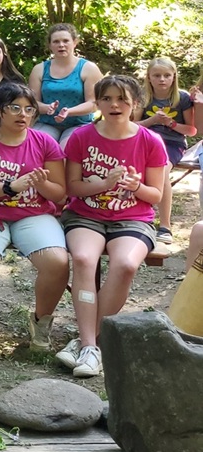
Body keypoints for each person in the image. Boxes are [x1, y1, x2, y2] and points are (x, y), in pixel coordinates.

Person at [59, 75, 169, 378]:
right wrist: (104, 184)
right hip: (86, 216)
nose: (114, 105)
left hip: (134, 218)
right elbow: (73, 188)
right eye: (106, 98)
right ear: (98, 103)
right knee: (83, 259)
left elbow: (155, 195)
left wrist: (136, 187)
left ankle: (88, 343)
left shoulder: (150, 141)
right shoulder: (81, 137)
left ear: (136, 103)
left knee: (125, 265)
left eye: (122, 99)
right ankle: (91, 346)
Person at [0, 82, 69, 354]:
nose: (23, 114)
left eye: (29, 109)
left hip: (33, 213)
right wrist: (9, 186)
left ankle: (41, 324)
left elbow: (60, 194)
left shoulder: (45, 142)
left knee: (57, 262)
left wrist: (41, 185)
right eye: (15, 108)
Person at [134, 57, 196, 243]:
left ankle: (165, 226)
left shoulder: (182, 98)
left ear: (174, 77)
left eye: (167, 75)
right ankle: (138, 218)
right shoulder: (143, 96)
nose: (162, 79)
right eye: (157, 75)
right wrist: (152, 121)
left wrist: (171, 123)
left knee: (161, 171)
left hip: (172, 143)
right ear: (149, 77)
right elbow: (133, 125)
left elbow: (191, 130)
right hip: (145, 141)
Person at [28, 23, 103, 145]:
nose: (61, 45)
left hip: (79, 123)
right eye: (56, 42)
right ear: (50, 45)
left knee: (68, 147)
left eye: (65, 41)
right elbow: (32, 103)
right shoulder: (39, 69)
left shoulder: (88, 68)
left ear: (74, 42)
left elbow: (94, 103)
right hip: (47, 123)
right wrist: (47, 108)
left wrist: (68, 111)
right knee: (39, 145)